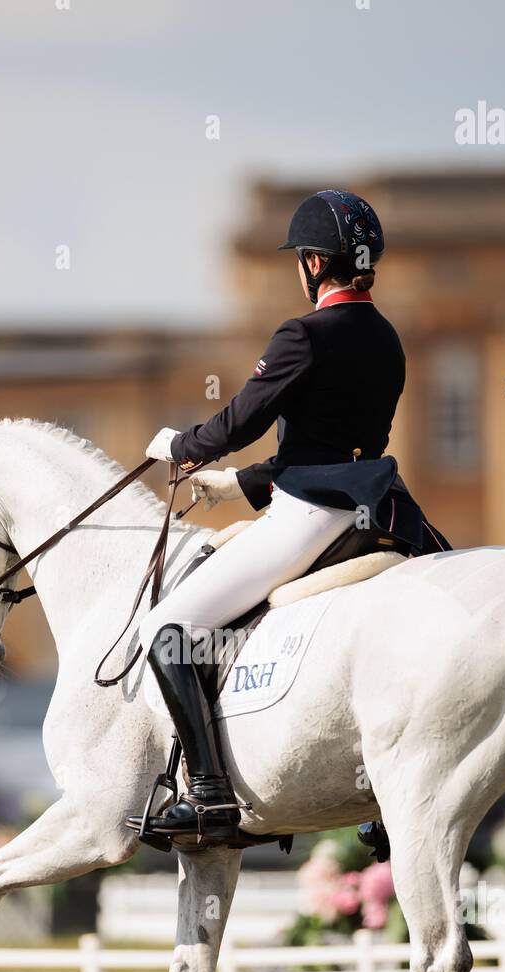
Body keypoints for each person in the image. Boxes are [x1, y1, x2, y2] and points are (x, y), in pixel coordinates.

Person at [126, 190, 449, 845]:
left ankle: (211, 796)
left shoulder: (303, 334)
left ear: (312, 263)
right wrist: (236, 486)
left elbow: (239, 421)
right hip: (377, 506)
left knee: (166, 627)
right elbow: (333, 444)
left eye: (300, 260)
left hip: (309, 516)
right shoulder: (387, 339)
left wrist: (182, 447)